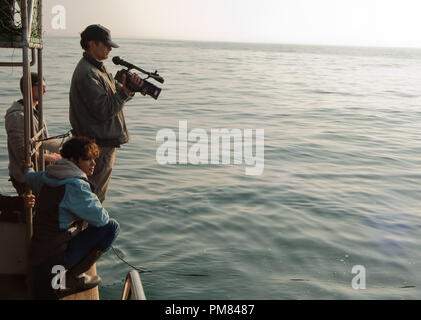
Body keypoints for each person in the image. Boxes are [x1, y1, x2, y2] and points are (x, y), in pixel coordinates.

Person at [25, 136, 119, 299]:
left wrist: (28, 168)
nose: (93, 164)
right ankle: (70, 277)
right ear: (72, 160)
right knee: (111, 227)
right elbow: (101, 219)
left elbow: (30, 178)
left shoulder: (49, 175)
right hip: (56, 257)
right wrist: (90, 195)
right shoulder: (76, 186)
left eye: (93, 159)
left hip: (39, 253)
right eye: (87, 159)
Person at [69, 24, 143, 203]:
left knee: (91, 193)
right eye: (106, 44)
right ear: (91, 43)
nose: (110, 48)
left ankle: (87, 226)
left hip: (101, 142)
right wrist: (124, 93)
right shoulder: (88, 73)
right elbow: (104, 110)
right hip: (98, 145)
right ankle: (89, 228)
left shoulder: (97, 69)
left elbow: (114, 99)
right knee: (94, 196)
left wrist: (128, 90)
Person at [5, 72, 62, 196]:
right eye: (41, 87)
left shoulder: (35, 111)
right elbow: (23, 153)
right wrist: (52, 158)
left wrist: (63, 149)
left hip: (38, 172)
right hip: (25, 178)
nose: (45, 91)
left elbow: (41, 141)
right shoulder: (17, 116)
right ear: (28, 88)